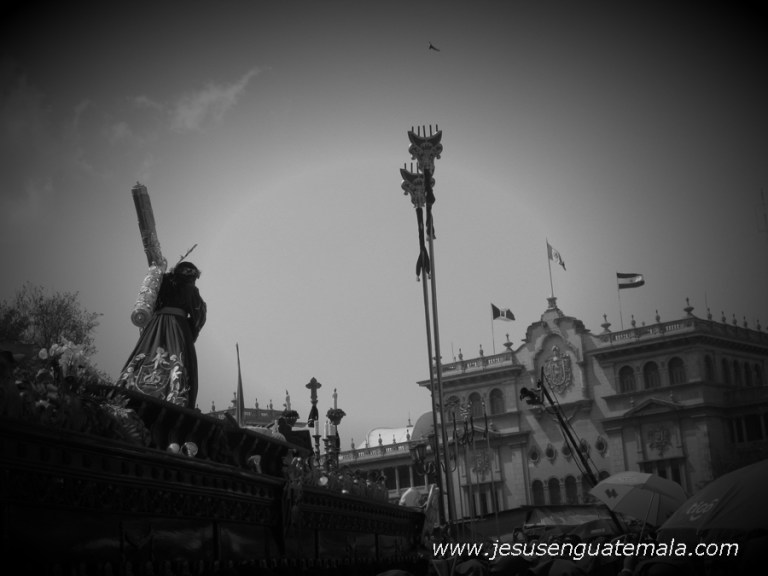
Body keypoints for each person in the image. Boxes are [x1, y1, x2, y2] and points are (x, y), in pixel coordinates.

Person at [117, 261, 206, 408]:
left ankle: (128, 388)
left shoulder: (160, 282)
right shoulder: (191, 290)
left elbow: (149, 301)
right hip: (178, 328)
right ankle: (175, 397)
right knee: (179, 359)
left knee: (145, 353)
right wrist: (190, 334)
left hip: (155, 326)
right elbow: (199, 316)